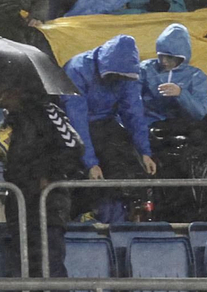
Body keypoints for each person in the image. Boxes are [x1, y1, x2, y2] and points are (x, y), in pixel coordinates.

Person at [0, 85, 86, 292]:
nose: (0, 97)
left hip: (48, 204)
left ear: (20, 89)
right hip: (20, 204)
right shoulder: (9, 121)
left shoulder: (48, 111)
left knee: (49, 264)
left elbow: (74, 145)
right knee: (28, 267)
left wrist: (49, 174)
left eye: (5, 90)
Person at [62, 34, 157, 224]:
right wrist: (90, 163)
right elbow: (76, 119)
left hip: (105, 124)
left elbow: (133, 113)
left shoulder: (126, 76)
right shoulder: (77, 69)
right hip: (72, 126)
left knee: (127, 168)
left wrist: (144, 152)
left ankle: (122, 219)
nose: (118, 80)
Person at [138, 23, 207, 221]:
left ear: (182, 57)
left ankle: (197, 211)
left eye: (171, 57)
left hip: (184, 130)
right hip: (154, 130)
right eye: (162, 56)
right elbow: (133, 105)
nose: (165, 61)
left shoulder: (196, 76)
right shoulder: (145, 71)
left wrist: (181, 94)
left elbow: (199, 112)